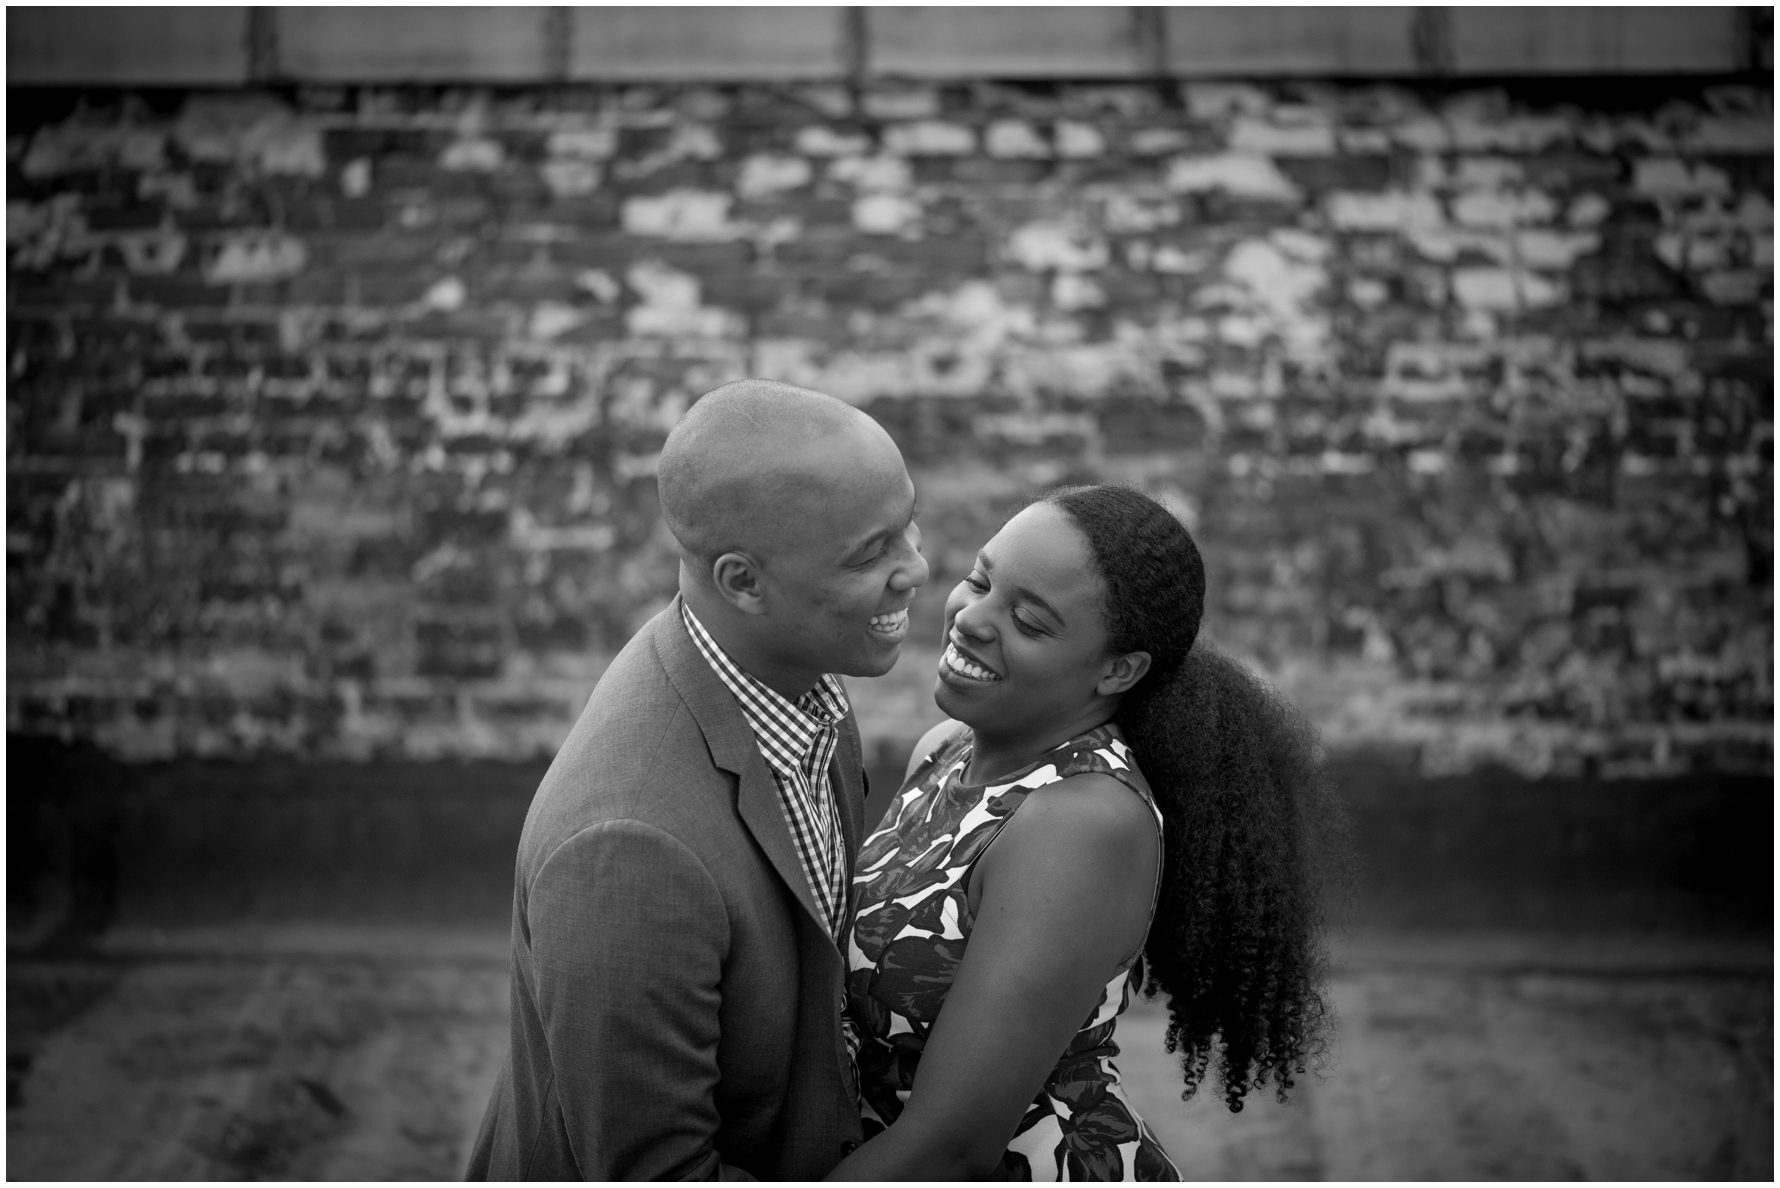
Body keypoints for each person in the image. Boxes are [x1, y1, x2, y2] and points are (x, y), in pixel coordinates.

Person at [466, 379, 929, 1180]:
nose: (916, 568)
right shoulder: (629, 849)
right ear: (742, 582)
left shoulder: (791, 677)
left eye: (906, 527)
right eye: (870, 553)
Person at [835, 484, 1345, 1181]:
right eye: (980, 580)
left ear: (1119, 669)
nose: (972, 619)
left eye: (1031, 621)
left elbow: (950, 1147)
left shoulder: (1080, 823)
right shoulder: (947, 749)